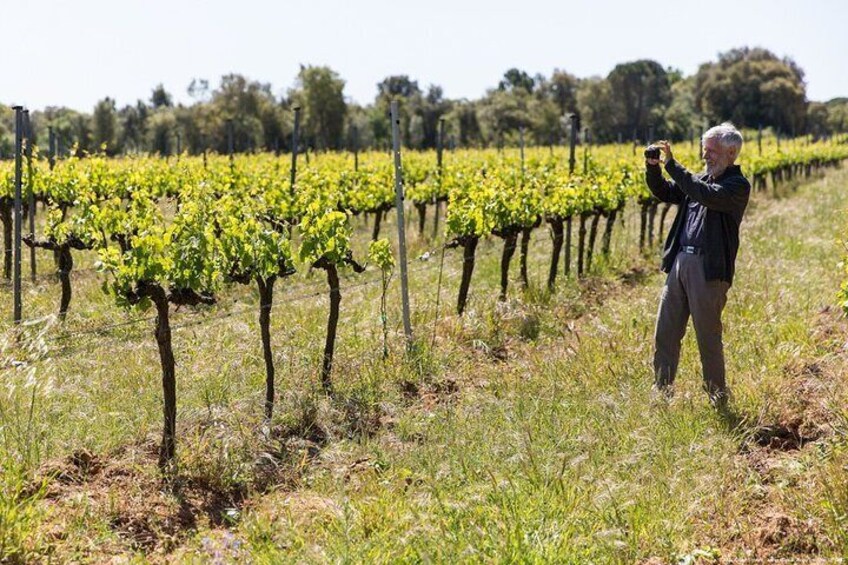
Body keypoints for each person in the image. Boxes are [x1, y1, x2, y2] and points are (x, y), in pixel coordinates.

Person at [645, 122, 751, 406]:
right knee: (665, 331)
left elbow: (706, 196)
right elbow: (666, 192)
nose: (706, 156)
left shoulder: (736, 186)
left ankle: (717, 396)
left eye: (712, 151)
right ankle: (661, 391)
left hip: (708, 270)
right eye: (705, 150)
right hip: (680, 262)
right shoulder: (700, 180)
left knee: (708, 337)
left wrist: (674, 166)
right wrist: (654, 167)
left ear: (731, 152)